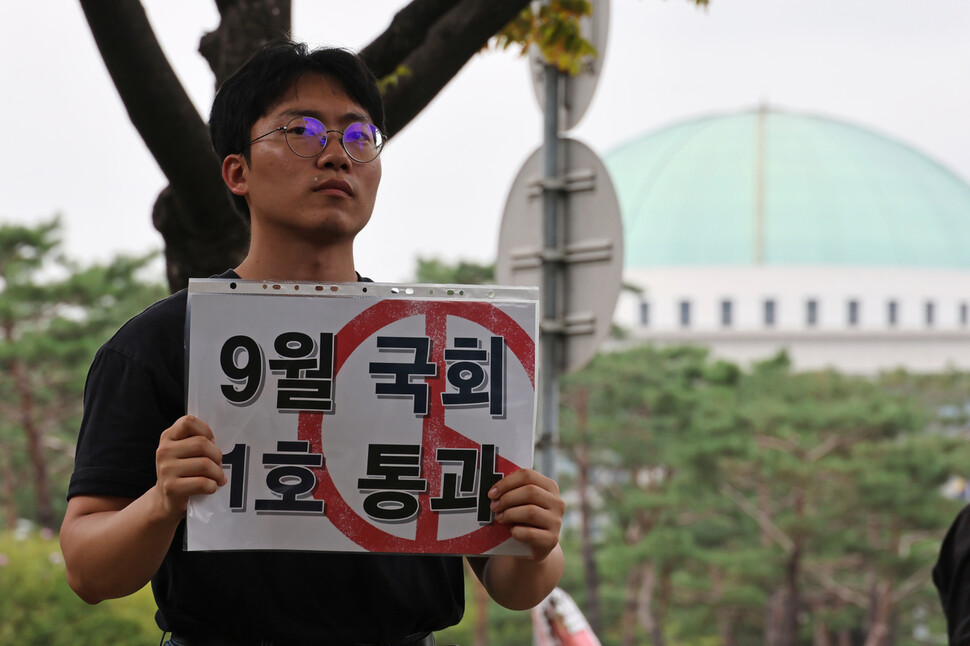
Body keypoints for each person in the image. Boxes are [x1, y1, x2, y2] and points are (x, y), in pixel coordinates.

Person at [60, 41, 565, 646]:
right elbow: (87, 568)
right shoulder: (159, 344)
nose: (335, 155)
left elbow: (510, 583)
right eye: (301, 131)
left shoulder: (439, 344)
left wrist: (535, 540)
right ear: (237, 172)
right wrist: (163, 502)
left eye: (358, 136)